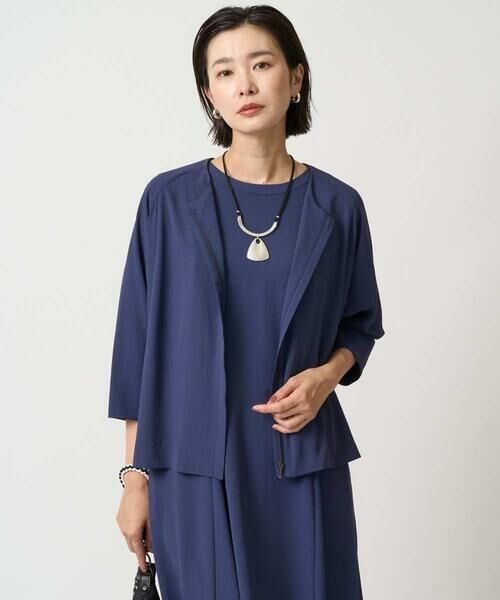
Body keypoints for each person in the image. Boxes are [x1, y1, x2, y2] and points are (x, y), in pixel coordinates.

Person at [109, 5, 385, 599]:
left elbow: (360, 324)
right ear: (209, 94)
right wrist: (134, 482)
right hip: (193, 469)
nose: (245, 85)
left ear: (296, 76)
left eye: (261, 65)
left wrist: (326, 378)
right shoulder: (167, 202)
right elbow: (138, 353)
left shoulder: (338, 207)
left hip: (301, 458)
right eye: (225, 72)